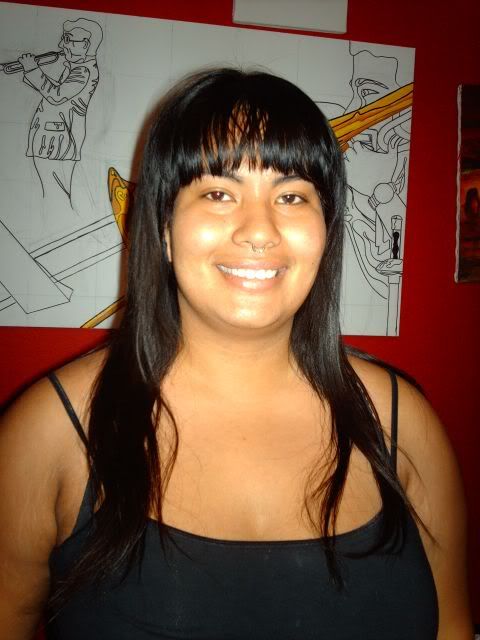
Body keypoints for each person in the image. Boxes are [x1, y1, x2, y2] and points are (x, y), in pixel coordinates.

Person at [0, 68, 473, 639]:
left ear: (326, 228)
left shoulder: (402, 425)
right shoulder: (50, 433)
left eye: (291, 196)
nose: (259, 230)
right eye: (219, 193)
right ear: (164, 226)